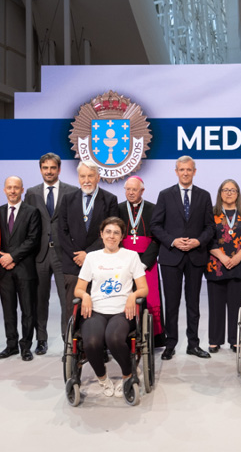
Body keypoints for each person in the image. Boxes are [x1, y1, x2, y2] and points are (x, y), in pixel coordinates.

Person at [74, 217, 148, 397]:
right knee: (91, 342)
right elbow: (79, 289)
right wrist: (85, 295)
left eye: (116, 233)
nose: (111, 236)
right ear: (101, 234)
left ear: (122, 236)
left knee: (114, 339)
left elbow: (144, 288)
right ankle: (103, 378)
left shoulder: (131, 256)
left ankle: (127, 374)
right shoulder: (92, 257)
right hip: (97, 310)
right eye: (108, 232)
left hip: (123, 311)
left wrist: (133, 295)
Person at [151, 155, 214, 360]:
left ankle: (193, 344)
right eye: (182, 170)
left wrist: (198, 241)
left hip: (196, 256)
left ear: (194, 171)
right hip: (171, 256)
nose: (185, 173)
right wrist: (173, 241)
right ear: (176, 171)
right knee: (172, 303)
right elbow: (156, 226)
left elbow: (210, 227)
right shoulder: (165, 195)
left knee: (193, 303)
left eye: (189, 169)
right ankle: (171, 344)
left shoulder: (204, 196)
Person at [25, 153, 79, 355]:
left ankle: (69, 338)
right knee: (40, 299)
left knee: (67, 300)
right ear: (40, 169)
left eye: (52, 168)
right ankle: (41, 339)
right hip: (39, 254)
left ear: (59, 169)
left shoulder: (72, 191)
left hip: (63, 254)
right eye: (45, 168)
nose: (49, 171)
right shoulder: (31, 193)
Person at [58, 161, 119, 336]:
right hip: (72, 263)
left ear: (98, 177)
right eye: (83, 176)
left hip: (100, 262)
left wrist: (88, 254)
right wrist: (76, 255)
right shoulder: (68, 199)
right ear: (78, 178)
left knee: (98, 306)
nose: (86, 180)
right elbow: (62, 231)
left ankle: (98, 346)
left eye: (90, 176)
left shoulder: (109, 200)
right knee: (71, 307)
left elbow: (111, 233)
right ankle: (71, 346)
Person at [206, 179, 241, 353]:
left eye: (233, 190)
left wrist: (236, 258)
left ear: (238, 194)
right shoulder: (211, 213)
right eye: (225, 190)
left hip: (239, 266)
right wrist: (222, 256)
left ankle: (236, 340)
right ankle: (215, 340)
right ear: (220, 193)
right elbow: (207, 238)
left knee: (237, 305)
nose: (229, 193)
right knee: (215, 305)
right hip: (216, 266)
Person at [0, 176, 41, 361]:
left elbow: (33, 239)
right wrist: (2, 257)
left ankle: (26, 347)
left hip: (25, 268)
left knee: (28, 310)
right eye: (9, 187)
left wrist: (12, 256)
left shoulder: (32, 212)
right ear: (4, 190)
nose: (12, 191)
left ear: (23, 190)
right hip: (4, 269)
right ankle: (11, 345)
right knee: (8, 310)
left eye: (16, 188)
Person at [117, 176, 165, 347]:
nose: (130, 193)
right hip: (124, 261)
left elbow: (157, 238)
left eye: (134, 189)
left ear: (142, 191)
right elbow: (115, 236)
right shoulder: (118, 209)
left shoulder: (153, 208)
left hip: (147, 262)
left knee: (150, 297)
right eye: (128, 189)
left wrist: (144, 263)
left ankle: (152, 337)